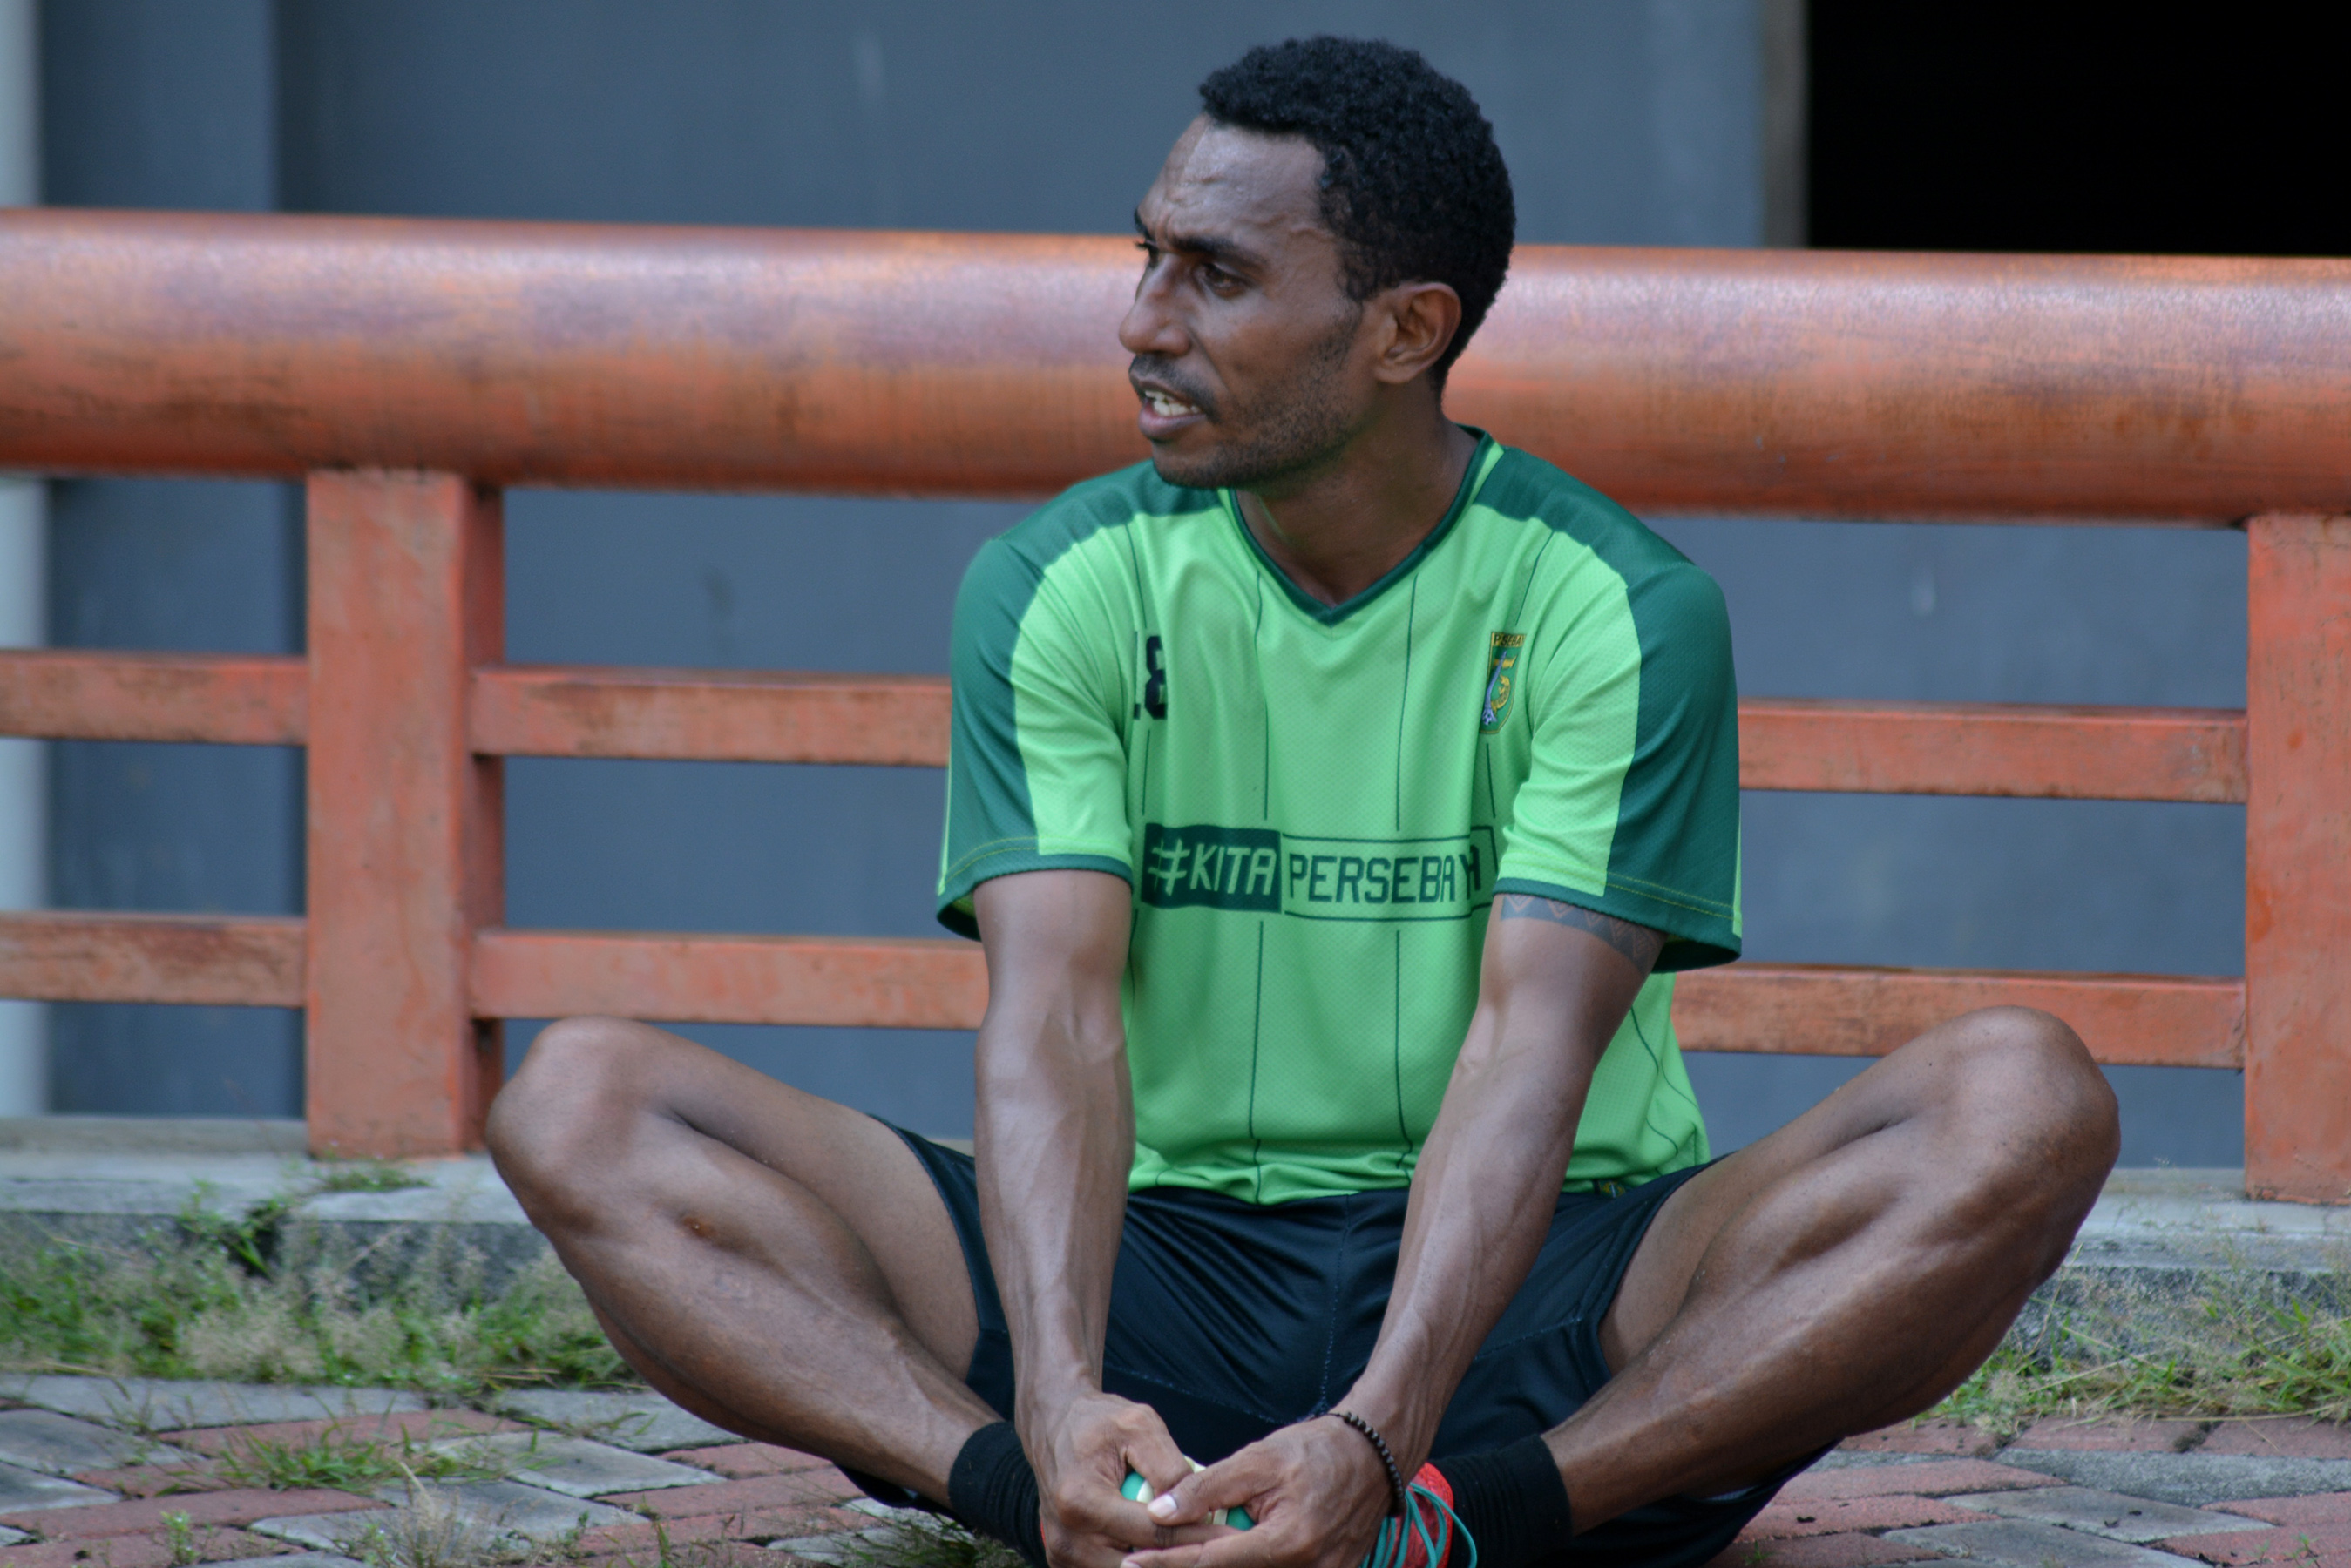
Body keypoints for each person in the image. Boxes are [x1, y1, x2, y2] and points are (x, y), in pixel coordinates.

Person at [487, 35, 2120, 1568]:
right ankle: (1039, 1498)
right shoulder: (1058, 583)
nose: (1143, 320)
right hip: (1164, 1271)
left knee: (2024, 1100)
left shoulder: (1614, 602)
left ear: (1406, 330)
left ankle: (1476, 1516)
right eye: (1147, 258)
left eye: (1216, 276)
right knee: (580, 1102)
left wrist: (1381, 1425)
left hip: (1547, 1287)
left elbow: (1528, 1053)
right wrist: (1050, 1396)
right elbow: (1053, 1021)